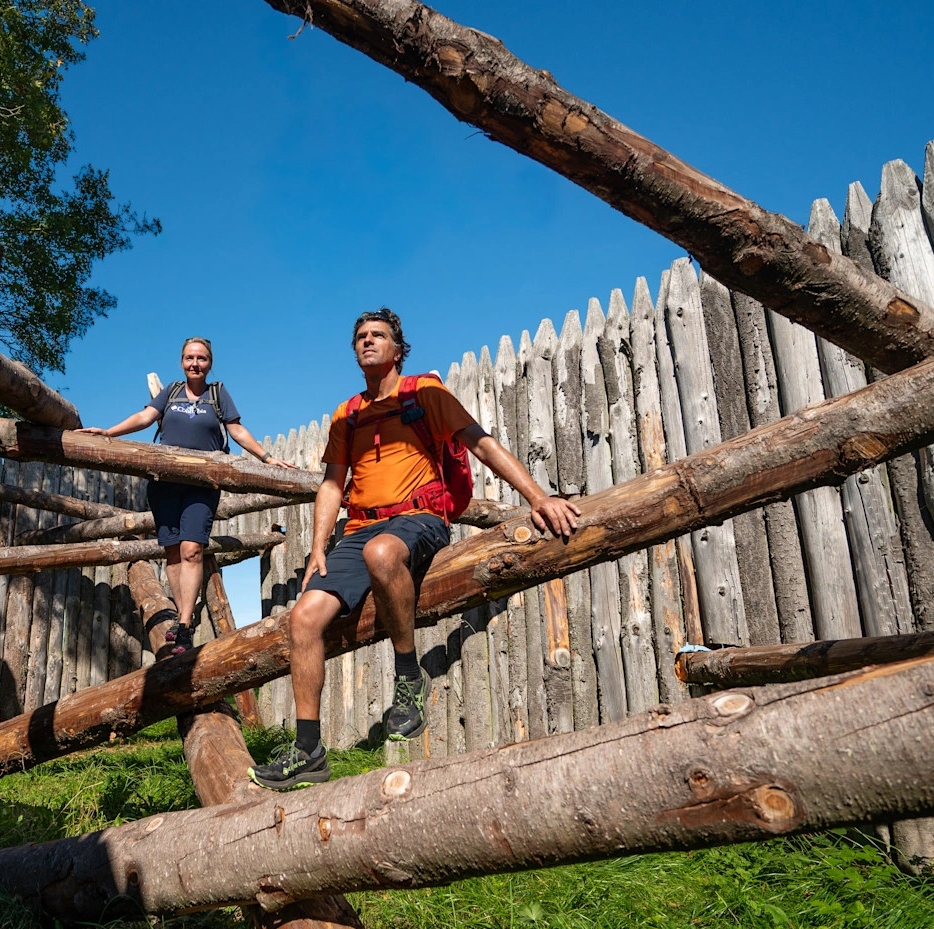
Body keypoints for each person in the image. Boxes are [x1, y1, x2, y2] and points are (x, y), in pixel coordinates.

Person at [249, 309, 581, 790]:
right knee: (303, 619)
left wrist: (538, 497)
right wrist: (319, 546)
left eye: (377, 335)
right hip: (358, 528)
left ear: (398, 349)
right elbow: (331, 484)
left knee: (382, 554)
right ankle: (308, 750)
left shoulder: (426, 393)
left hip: (418, 519)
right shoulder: (348, 413)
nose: (367, 342)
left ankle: (409, 678)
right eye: (360, 337)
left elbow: (482, 445)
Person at [79, 337, 296, 655]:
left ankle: (184, 625)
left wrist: (266, 458)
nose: (195, 363)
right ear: (182, 361)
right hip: (165, 482)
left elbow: (236, 430)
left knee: (192, 549)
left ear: (210, 363)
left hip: (203, 483)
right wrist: (108, 432)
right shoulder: (171, 391)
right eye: (190, 357)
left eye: (202, 358)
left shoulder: (217, 393)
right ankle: (183, 620)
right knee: (172, 553)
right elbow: (145, 418)